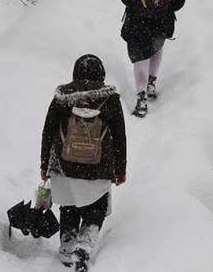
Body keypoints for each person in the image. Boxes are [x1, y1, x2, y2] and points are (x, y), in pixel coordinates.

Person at [40, 54, 127, 271]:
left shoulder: (62, 98)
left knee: (69, 204)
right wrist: (120, 169)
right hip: (99, 166)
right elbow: (119, 136)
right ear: (102, 75)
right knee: (96, 206)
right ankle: (84, 247)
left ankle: (67, 246)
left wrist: (44, 165)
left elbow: (48, 132)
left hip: (64, 165)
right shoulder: (110, 100)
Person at [120, 0, 185, 117]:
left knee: (140, 59)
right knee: (155, 50)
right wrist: (163, 7)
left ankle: (141, 99)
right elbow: (180, 2)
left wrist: (139, 5)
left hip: (136, 26)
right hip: (160, 25)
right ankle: (151, 84)